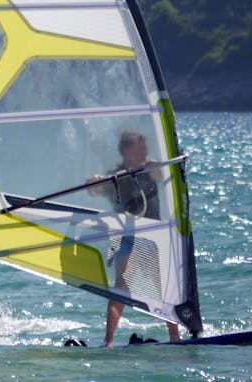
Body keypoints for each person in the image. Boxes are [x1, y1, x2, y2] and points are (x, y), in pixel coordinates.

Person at [87, 129, 181, 346]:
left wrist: (154, 167)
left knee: (163, 287)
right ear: (128, 150)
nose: (146, 151)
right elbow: (95, 191)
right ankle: (108, 340)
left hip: (154, 238)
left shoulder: (149, 169)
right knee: (122, 286)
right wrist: (94, 183)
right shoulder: (115, 174)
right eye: (141, 147)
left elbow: (160, 176)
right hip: (128, 238)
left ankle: (175, 337)